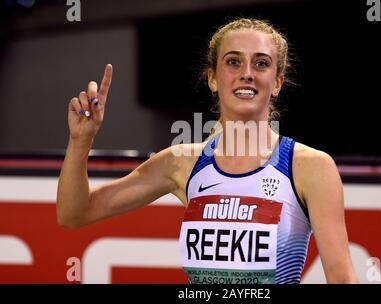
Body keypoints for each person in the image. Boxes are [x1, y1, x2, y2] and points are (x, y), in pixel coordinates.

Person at [57, 18, 357, 284]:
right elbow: (74, 214)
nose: (247, 74)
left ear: (277, 82)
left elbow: (342, 278)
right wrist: (81, 141)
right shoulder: (181, 163)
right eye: (233, 62)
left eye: (261, 63)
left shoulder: (309, 166)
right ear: (213, 77)